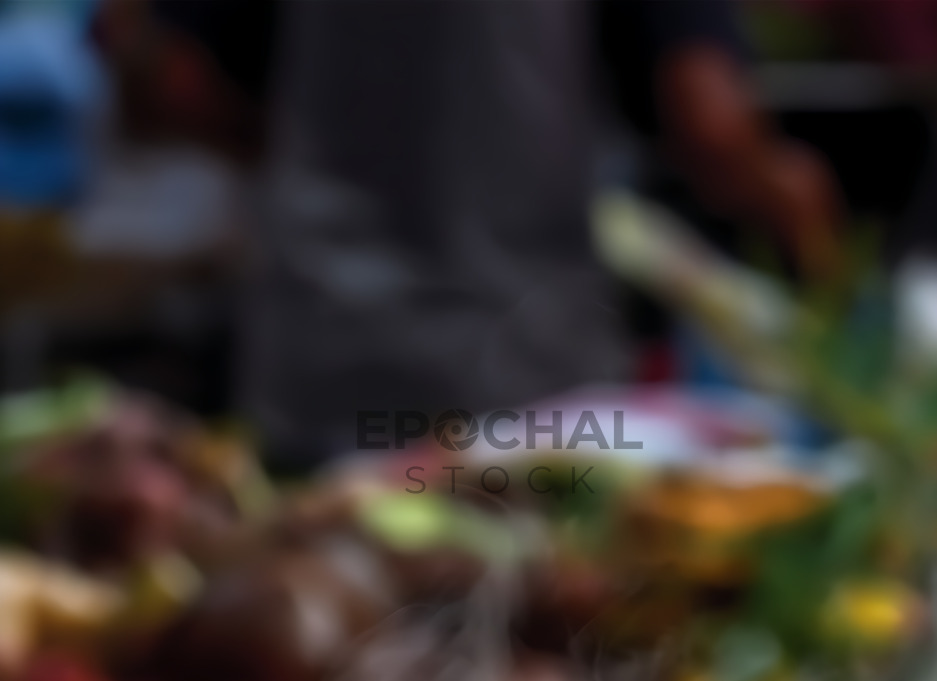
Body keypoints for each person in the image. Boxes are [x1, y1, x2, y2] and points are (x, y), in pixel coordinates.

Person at [117, 0, 840, 467]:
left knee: (338, 646)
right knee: (532, 671)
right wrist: (791, 194)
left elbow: (166, 77)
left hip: (323, 357)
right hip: (525, 374)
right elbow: (709, 125)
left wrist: (309, 150)